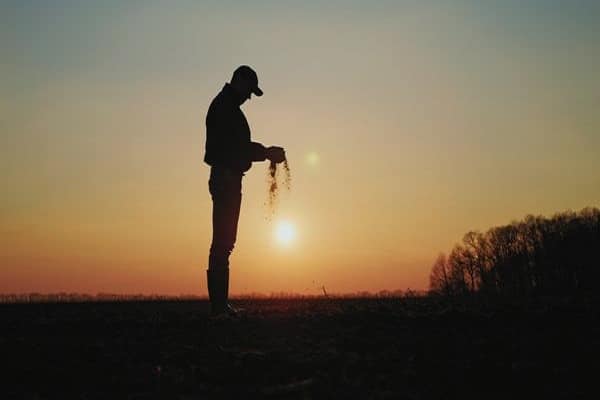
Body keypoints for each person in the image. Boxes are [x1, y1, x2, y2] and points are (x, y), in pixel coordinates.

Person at [204, 65, 285, 316]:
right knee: (223, 243)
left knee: (225, 242)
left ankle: (220, 306)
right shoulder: (225, 109)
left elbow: (237, 147)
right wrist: (266, 153)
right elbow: (236, 148)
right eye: (249, 90)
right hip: (226, 178)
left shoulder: (227, 107)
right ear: (238, 82)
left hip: (228, 178)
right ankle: (219, 309)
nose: (249, 96)